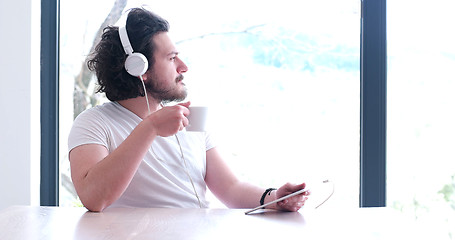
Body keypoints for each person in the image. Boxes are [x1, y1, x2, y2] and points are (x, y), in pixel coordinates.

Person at [68, 7, 310, 212]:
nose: (184, 67)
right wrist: (150, 128)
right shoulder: (93, 122)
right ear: (138, 67)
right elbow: (92, 198)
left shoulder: (191, 118)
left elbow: (230, 189)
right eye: (172, 58)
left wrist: (275, 197)